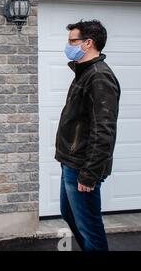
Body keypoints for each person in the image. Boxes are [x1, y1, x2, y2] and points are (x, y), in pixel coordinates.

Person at [55, 20, 121, 251]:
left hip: (83, 165)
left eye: (72, 40)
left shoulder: (99, 77)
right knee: (69, 213)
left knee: (89, 225)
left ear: (88, 43)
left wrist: (89, 174)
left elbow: (103, 130)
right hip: (71, 162)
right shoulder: (84, 73)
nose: (68, 45)